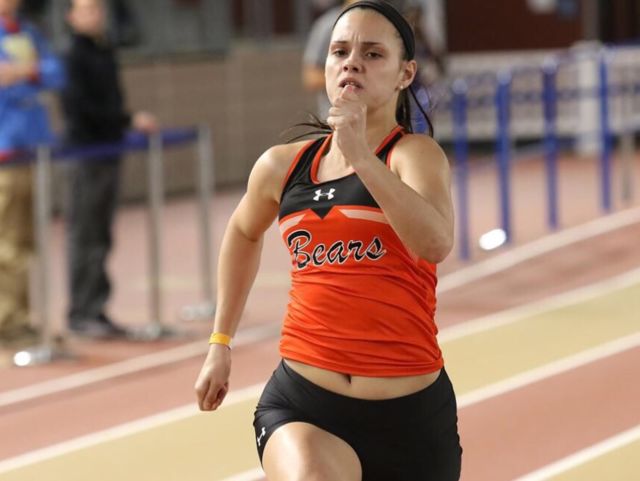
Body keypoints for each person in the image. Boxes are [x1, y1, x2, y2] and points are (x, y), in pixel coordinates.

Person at [195, 1, 461, 480]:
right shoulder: (283, 165)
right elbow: (242, 231)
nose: (352, 63)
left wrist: (361, 156)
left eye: (373, 54)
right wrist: (220, 341)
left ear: (405, 74)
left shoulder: (413, 156)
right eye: (340, 51)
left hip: (411, 416)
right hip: (305, 403)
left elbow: (435, 242)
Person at [60, 0, 157, 339]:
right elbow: (80, 107)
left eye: (98, 9)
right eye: (87, 10)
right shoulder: (73, 55)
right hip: (87, 153)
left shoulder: (104, 50)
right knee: (85, 233)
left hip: (109, 150)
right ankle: (81, 311)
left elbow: (111, 100)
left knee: (101, 234)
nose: (96, 16)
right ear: (71, 17)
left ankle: (96, 307)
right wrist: (121, 121)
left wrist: (126, 121)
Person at [0, 0, 64, 346]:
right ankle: (7, 323)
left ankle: (22, 318)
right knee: (6, 241)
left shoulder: (28, 32)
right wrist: (29, 73)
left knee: (26, 240)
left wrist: (24, 72)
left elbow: (55, 72)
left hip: (32, 147)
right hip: (5, 151)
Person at [302, 0, 357, 120]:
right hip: (333, 122)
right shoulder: (328, 25)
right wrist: (351, 80)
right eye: (340, 53)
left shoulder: (382, 23)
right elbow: (311, 76)